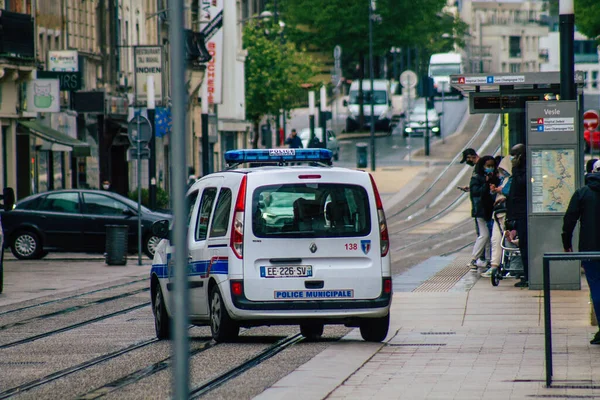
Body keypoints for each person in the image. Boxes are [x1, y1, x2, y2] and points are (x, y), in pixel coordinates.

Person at [562, 159, 600, 345]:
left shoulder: (583, 193)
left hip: (590, 249)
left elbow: (569, 220)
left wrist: (566, 243)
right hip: (590, 250)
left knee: (597, 288)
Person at [481, 156, 512, 278]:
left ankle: (507, 265)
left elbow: (510, 192)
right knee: (495, 240)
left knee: (507, 241)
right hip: (498, 214)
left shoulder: (511, 180)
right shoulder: (504, 180)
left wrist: (501, 191)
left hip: (506, 215)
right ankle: (494, 265)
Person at [506, 144, 528, 287]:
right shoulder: (519, 170)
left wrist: (515, 169)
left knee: (526, 245)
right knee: (523, 245)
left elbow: (522, 185)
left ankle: (528, 276)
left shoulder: (524, 169)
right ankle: (527, 275)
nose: (512, 159)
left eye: (514, 155)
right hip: (518, 213)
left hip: (524, 213)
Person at [468, 155, 496, 269]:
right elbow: (476, 193)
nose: (490, 168)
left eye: (492, 166)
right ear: (483, 166)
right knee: (484, 235)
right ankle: (474, 259)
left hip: (490, 210)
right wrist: (486, 183)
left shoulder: (492, 176)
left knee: (489, 236)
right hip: (481, 211)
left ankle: (489, 259)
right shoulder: (477, 178)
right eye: (488, 166)